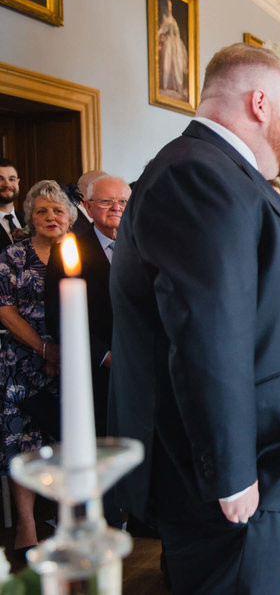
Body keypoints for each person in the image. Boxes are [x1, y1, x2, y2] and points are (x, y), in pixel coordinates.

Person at [108, 44, 280, 595]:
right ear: (260, 103)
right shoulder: (196, 173)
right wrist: (233, 471)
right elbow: (207, 332)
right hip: (236, 480)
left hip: (260, 464)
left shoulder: (223, 172)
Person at [0, 180, 73, 564]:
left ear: (70, 217)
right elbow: (4, 308)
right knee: (21, 443)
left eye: (58, 210)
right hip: (21, 362)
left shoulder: (80, 253)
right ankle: (26, 524)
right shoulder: (13, 255)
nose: (50, 217)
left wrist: (66, 350)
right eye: (42, 211)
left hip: (73, 359)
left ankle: (65, 518)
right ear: (29, 217)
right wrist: (44, 348)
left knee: (66, 439)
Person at [44, 175, 130, 436]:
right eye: (106, 201)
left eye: (123, 201)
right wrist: (104, 356)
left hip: (142, 369)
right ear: (88, 207)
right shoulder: (69, 252)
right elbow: (58, 317)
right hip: (94, 372)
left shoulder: (146, 248)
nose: (116, 207)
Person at [158, 0, 189, 97]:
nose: (169, 8)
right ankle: (166, 84)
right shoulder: (166, 20)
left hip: (176, 44)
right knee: (167, 62)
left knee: (177, 63)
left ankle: (177, 85)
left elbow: (177, 33)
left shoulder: (174, 21)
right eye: (168, 6)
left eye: (170, 6)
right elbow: (162, 30)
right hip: (169, 43)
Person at [0, 159, 23, 250]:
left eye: (12, 179)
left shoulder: (31, 220)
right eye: (0, 179)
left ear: (18, 182)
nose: (7, 184)